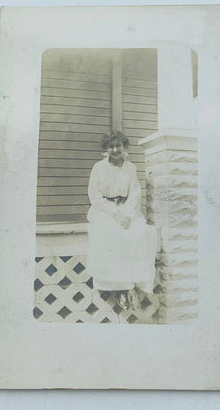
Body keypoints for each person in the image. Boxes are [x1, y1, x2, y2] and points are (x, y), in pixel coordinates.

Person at [86, 130, 158, 310]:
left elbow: (135, 193)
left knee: (140, 233)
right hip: (104, 211)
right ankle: (120, 288)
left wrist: (126, 214)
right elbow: (95, 197)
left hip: (127, 210)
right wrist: (115, 214)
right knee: (110, 235)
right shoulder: (98, 168)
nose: (115, 149)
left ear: (124, 146)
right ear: (106, 149)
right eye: (111, 146)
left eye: (118, 145)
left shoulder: (130, 168)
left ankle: (131, 285)